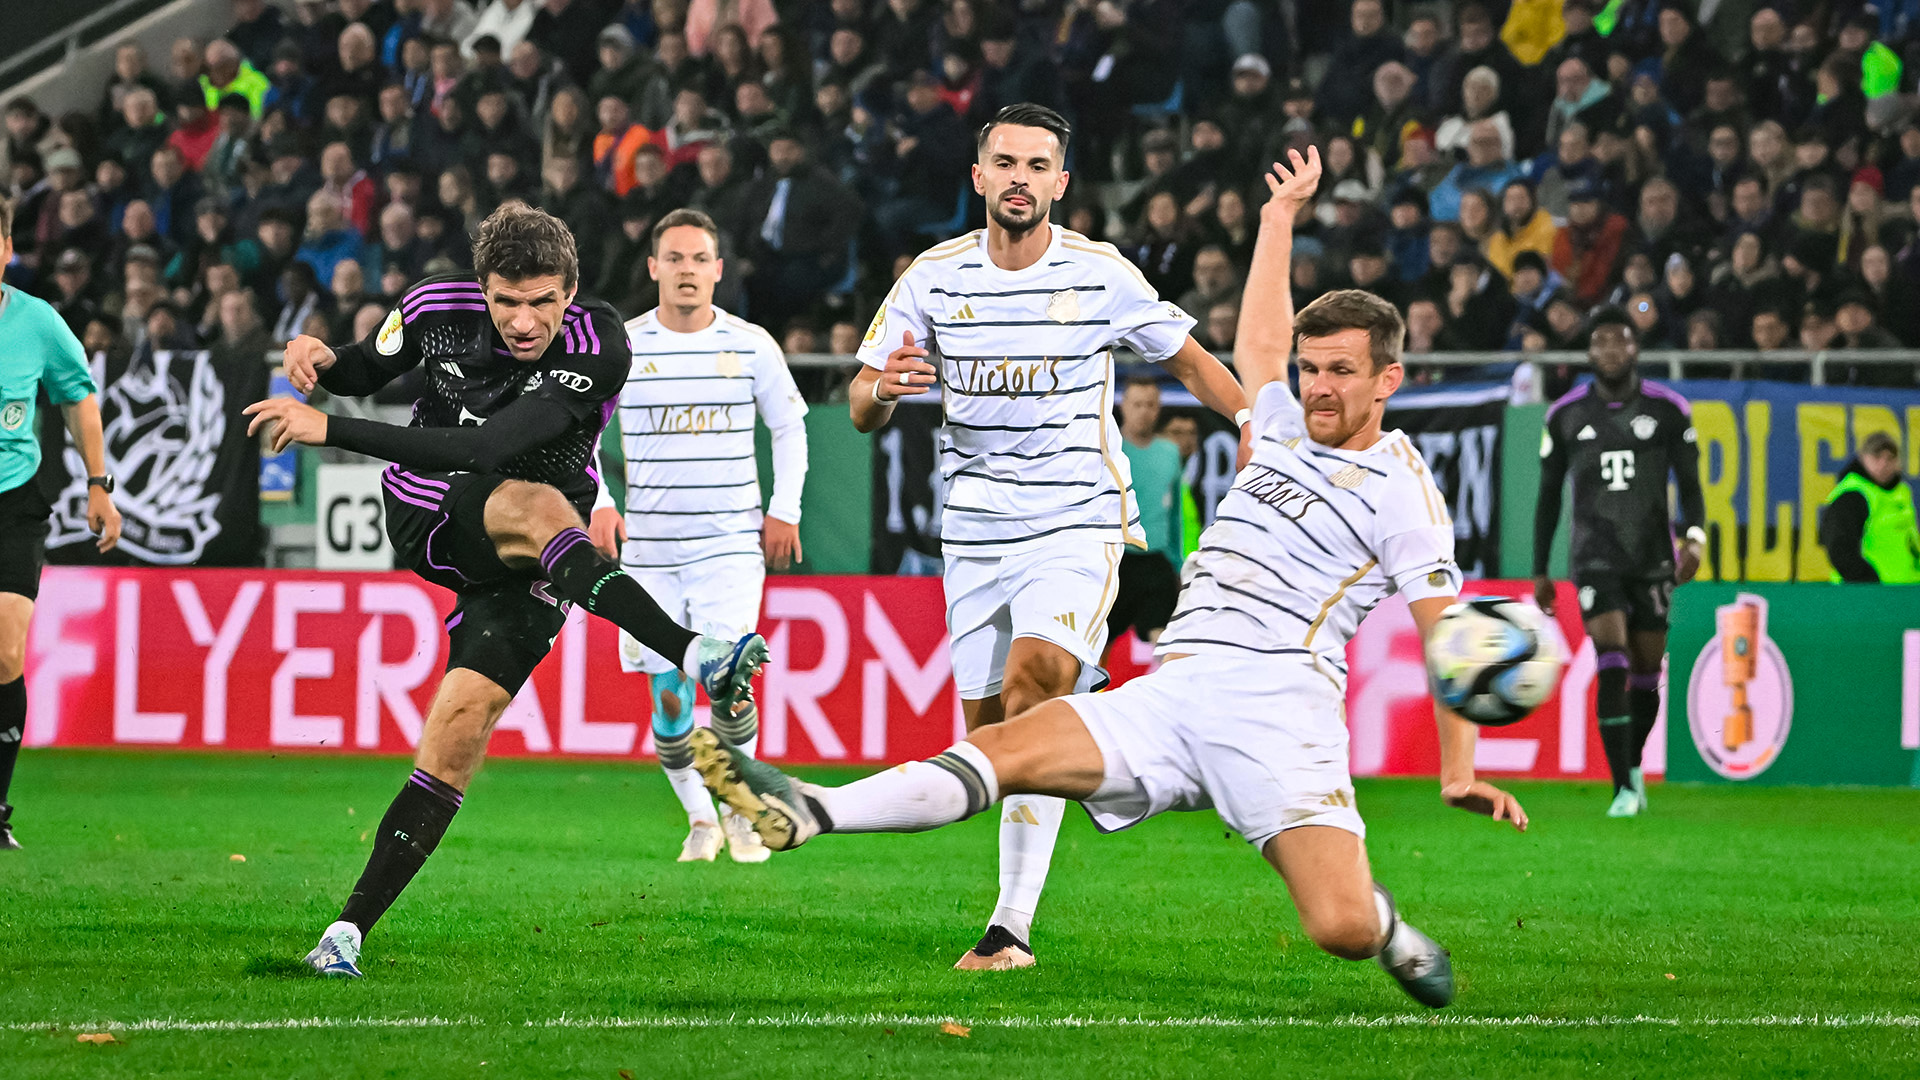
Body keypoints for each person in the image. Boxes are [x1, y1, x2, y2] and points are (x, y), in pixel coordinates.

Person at [695, 149, 1527, 1010]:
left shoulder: (1403, 489)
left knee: (1341, 928)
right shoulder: (1278, 422)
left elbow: (1451, 638)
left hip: (1280, 716)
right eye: (1313, 369)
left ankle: (1391, 933)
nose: (1316, 387)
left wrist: (1457, 770)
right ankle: (811, 810)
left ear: (1389, 379)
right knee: (1004, 747)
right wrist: (1278, 220)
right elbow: (1261, 344)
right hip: (1174, 692)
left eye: (1341, 372)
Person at [243, 204, 768, 977]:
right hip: (433, 511)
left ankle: (345, 934)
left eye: (543, 300)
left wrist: (334, 429)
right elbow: (363, 369)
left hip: (534, 558)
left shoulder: (601, 344)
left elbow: (493, 444)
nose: (525, 321)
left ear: (572, 290)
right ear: (481, 288)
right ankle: (695, 654)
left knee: (459, 728)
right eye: (506, 300)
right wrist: (316, 359)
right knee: (541, 505)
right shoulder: (431, 307)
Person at [849, 103, 1253, 971]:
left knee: (1037, 693)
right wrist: (887, 388)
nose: (1021, 178)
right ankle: (1140, 778)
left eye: (1039, 165)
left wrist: (1252, 415)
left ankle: (1009, 928)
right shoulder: (932, 277)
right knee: (993, 739)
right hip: (973, 533)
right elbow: (857, 403)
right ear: (979, 176)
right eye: (1006, 162)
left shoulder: (1102, 273)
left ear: (1060, 183)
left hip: (1076, 519)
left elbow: (1185, 357)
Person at [598, 208, 809, 863]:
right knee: (667, 695)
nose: (687, 271)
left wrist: (787, 509)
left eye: (699, 260)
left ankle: (739, 812)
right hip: (651, 554)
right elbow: (579, 436)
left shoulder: (751, 344)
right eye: (675, 259)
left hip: (728, 548)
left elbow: (791, 428)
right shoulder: (625, 348)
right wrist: (602, 502)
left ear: (718, 271)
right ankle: (700, 820)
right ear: (655, 267)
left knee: (729, 683)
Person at [1532, 307, 1705, 819]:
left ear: (1635, 348)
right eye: (1601, 341)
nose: (1610, 349)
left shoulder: (1670, 409)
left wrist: (1692, 539)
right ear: (1589, 352)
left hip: (1653, 558)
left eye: (1620, 340)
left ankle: (1631, 767)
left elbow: (1691, 485)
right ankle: (1622, 788)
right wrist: (1541, 569)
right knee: (1612, 659)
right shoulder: (1563, 414)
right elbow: (1547, 498)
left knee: (1647, 672)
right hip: (1594, 558)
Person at [0, 197, 124, 851]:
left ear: (7, 247)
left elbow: (78, 397)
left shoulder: (37, 322)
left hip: (14, 503)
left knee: (5, 653)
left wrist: (99, 485)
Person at [1103, 376, 1182, 659]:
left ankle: (1171, 698)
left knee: (1167, 643)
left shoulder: (1170, 452)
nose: (1144, 411)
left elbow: (1175, 513)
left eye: (1150, 404)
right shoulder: (1107, 451)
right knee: (1100, 643)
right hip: (1114, 559)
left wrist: (1177, 563)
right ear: (1123, 406)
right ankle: (1087, 700)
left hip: (1156, 559)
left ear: (1159, 408)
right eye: (1137, 404)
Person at [1821, 432, 1920, 584]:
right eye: (1877, 457)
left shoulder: (1901, 492)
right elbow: (1840, 550)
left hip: (1904, 592)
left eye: (1890, 458)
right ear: (1862, 457)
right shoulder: (1854, 495)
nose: (1883, 464)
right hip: (1870, 596)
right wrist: (1869, 584)